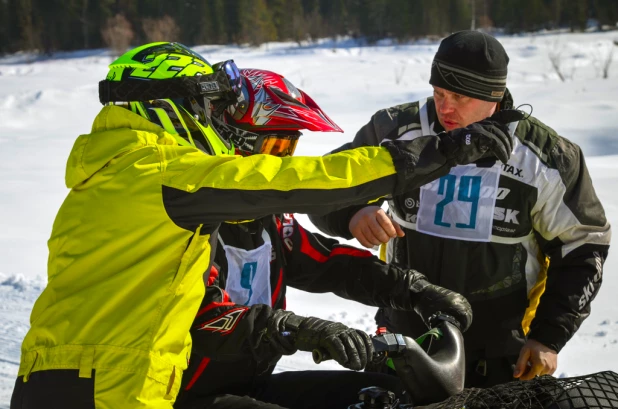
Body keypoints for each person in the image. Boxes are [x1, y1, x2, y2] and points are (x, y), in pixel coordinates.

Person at [9, 42, 515, 409]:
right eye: (203, 107)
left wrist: (412, 288)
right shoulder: (167, 181)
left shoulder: (144, 177)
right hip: (118, 388)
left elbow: (324, 261)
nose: (209, 119)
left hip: (127, 382)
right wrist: (293, 329)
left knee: (376, 399)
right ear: (170, 108)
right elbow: (302, 184)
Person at [308, 30, 611, 388]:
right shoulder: (394, 131)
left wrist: (548, 337)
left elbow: (583, 248)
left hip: (501, 356)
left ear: (493, 97)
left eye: (460, 97)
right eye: (439, 93)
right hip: (406, 340)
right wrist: (352, 213)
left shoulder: (545, 157)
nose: (445, 107)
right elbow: (321, 189)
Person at [173, 68, 474, 409]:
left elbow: (331, 264)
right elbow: (205, 319)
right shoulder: (194, 225)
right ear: (229, 141)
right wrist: (301, 329)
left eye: (288, 147)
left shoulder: (269, 221)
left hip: (250, 383)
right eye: (272, 146)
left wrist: (413, 290)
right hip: (184, 395)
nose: (281, 162)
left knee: (388, 393)